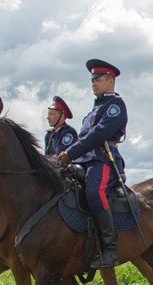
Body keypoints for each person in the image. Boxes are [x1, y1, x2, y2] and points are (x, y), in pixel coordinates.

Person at [57, 59, 128, 269]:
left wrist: (70, 153)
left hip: (103, 159)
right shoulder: (94, 109)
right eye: (92, 80)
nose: (93, 83)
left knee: (94, 191)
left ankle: (109, 249)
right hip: (84, 159)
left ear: (110, 81)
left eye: (98, 79)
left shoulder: (115, 105)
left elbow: (99, 134)